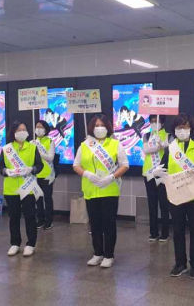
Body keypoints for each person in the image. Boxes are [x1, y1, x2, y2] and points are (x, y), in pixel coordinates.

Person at [153, 113, 194, 280]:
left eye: (185, 127)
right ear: (174, 130)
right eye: (179, 127)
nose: (182, 130)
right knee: (177, 230)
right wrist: (156, 173)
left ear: (191, 129)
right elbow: (162, 168)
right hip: (176, 196)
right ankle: (180, 263)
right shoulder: (170, 149)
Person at [73, 114, 129, 268]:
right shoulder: (85, 145)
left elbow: (125, 165)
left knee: (109, 223)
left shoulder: (115, 144)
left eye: (102, 125)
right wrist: (86, 174)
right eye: (96, 125)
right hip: (91, 189)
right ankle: (97, 253)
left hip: (109, 189)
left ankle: (109, 255)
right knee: (95, 223)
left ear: (108, 127)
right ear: (91, 127)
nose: (99, 128)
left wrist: (111, 177)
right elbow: (76, 164)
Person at [0, 121, 43, 257]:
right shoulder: (6, 149)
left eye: (24, 129)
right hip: (11, 188)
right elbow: (0, 167)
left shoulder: (32, 147)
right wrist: (6, 171)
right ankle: (15, 243)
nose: (22, 131)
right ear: (13, 132)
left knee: (30, 216)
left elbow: (39, 166)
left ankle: (30, 244)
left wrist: (32, 169)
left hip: (28, 187)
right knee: (14, 217)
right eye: (19, 129)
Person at [142, 115, 171, 242]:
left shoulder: (169, 135)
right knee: (152, 203)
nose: (154, 123)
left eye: (157, 121)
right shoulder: (147, 135)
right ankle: (153, 232)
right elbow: (146, 150)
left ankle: (165, 232)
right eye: (152, 121)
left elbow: (171, 149)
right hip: (148, 172)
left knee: (164, 203)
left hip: (163, 172)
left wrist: (164, 143)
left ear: (163, 123)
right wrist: (158, 146)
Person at [34, 120, 56, 230]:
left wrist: (40, 153)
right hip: (36, 175)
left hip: (47, 174)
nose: (38, 129)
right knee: (38, 199)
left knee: (47, 198)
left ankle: (49, 221)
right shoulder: (32, 142)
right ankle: (40, 220)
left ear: (46, 129)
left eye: (41, 127)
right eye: (37, 127)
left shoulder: (50, 141)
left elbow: (51, 157)